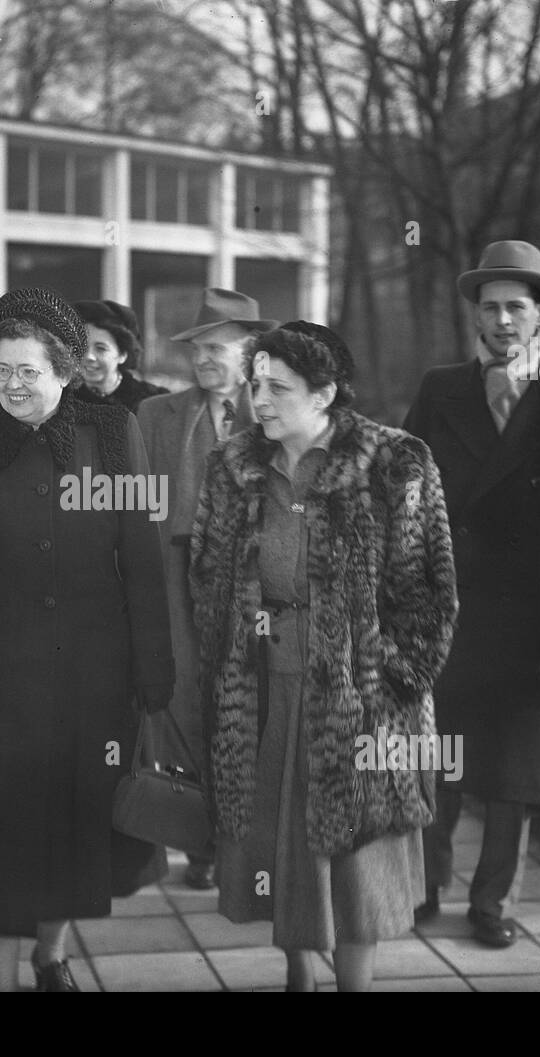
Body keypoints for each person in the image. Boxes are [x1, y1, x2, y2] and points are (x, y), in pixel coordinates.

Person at [0, 286, 174, 992]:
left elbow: (142, 557)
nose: (12, 386)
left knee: (73, 822)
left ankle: (50, 956)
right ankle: (1, 982)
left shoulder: (115, 433)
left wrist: (155, 666)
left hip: (92, 670)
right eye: (0, 370)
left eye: (28, 372)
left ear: (65, 371)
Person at [190, 321, 458, 991]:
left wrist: (394, 675)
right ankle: (299, 975)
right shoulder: (232, 466)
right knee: (280, 844)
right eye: (255, 385)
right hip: (264, 686)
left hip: (362, 700)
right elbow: (209, 578)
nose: (260, 400)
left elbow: (429, 591)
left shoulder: (396, 463)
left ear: (327, 392)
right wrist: (221, 665)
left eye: (278, 387)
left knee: (356, 860)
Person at [403, 240, 540, 948]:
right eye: (489, 308)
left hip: (539, 614)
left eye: (515, 308)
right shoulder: (441, 389)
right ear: (476, 315)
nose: (500, 321)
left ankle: (492, 905)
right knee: (445, 758)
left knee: (515, 773)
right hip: (451, 607)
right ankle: (422, 890)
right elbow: (401, 494)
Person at [136, 287, 275, 890]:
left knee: (251, 712)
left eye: (217, 349)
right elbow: (137, 507)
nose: (204, 361)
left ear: (250, 354)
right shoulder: (157, 416)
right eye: (197, 350)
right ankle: (200, 844)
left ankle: (247, 844)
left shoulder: (276, 413)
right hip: (174, 586)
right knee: (187, 709)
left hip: (253, 591)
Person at [71, 299, 167, 413]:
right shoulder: (64, 399)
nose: (89, 357)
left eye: (101, 348)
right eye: (83, 347)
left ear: (122, 355)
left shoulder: (151, 400)